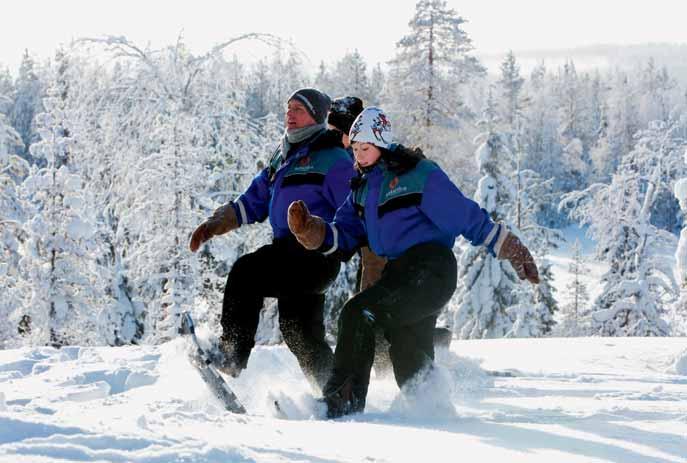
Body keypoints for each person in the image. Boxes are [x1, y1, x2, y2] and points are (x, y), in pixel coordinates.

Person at [287, 107, 539, 417]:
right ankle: (431, 408)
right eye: (355, 149)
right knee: (407, 353)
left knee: (358, 312)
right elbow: (343, 236)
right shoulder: (362, 190)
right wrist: (311, 230)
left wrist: (509, 246)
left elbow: (463, 213)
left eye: (365, 148)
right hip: (399, 272)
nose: (360, 156)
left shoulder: (416, 174)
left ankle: (341, 401)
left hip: (431, 268)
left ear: (382, 143)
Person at [189, 88, 356, 393]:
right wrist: (216, 223)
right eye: (288, 108)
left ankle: (232, 355)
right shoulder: (283, 157)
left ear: (316, 117)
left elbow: (355, 208)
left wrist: (334, 240)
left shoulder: (333, 159)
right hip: (286, 252)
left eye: (299, 109)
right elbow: (255, 199)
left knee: (246, 272)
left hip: (315, 255)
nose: (290, 114)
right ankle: (337, 392)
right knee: (300, 333)